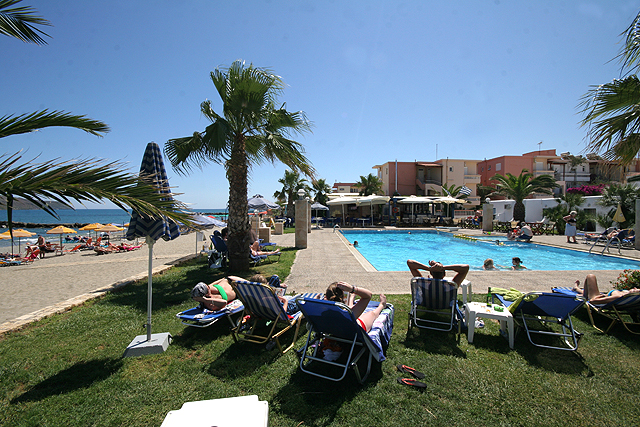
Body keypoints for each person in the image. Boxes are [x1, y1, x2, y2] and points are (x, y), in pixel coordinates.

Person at [572, 274, 640, 304]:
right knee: (590, 289)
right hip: (602, 295)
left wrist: (602, 296)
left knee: (591, 276)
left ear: (634, 294)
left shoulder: (619, 296)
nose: (634, 287)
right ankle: (576, 288)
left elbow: (593, 301)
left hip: (596, 297)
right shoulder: (627, 296)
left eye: (635, 290)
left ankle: (578, 290)